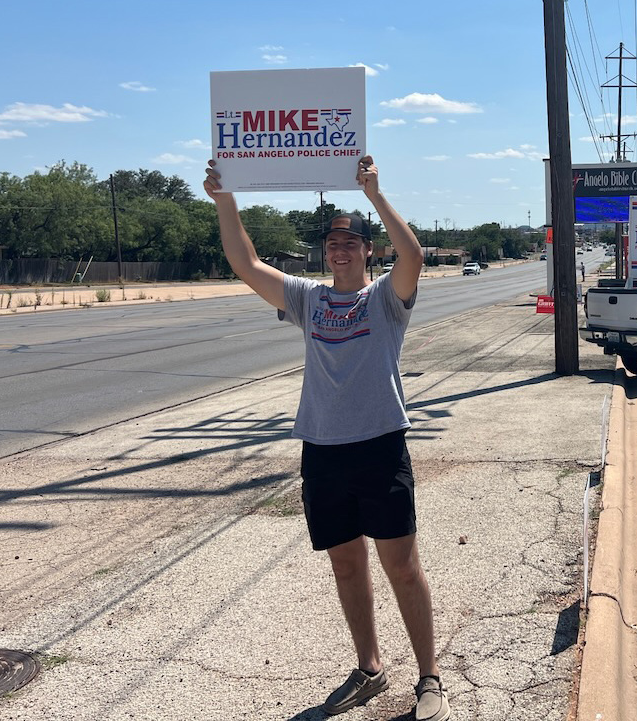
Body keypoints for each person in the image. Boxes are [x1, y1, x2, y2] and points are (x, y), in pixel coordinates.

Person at [203, 156, 450, 721]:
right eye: (332, 243)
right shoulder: (308, 300)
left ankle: (429, 677)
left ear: (367, 249)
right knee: (346, 565)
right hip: (322, 451)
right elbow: (245, 263)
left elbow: (413, 257)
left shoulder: (385, 299)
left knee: (402, 567)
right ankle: (369, 668)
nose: (340, 250)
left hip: (380, 446)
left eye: (350, 242)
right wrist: (225, 200)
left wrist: (376, 196)